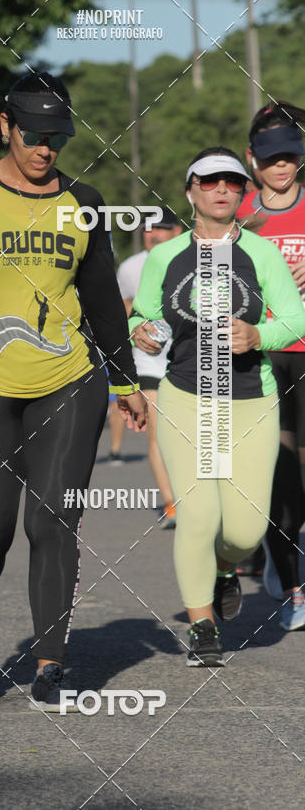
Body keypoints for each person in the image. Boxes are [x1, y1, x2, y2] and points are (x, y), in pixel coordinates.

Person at [0, 71, 147, 710]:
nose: (46, 148)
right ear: (6, 126)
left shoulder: (85, 202)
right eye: (34, 135)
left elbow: (101, 297)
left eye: (58, 137)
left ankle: (50, 662)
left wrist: (125, 378)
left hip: (68, 381)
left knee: (53, 518)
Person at [130, 147, 305, 667]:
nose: (222, 190)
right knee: (199, 516)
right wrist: (139, 331)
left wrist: (258, 335)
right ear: (191, 192)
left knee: (245, 530)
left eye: (231, 181)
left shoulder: (261, 253)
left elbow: (295, 318)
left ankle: (226, 569)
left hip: (251, 399)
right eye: (209, 182)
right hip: (186, 398)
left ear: (241, 192)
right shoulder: (165, 256)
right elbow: (143, 314)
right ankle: (202, 626)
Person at [237, 102, 305, 628]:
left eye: (290, 154)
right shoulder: (237, 213)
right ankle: (291, 583)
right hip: (261, 355)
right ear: (251, 158)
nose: (281, 164)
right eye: (270, 156)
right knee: (280, 474)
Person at [116, 207, 183, 528]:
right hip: (148, 360)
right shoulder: (130, 267)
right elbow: (122, 307)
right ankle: (171, 503)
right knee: (158, 431)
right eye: (146, 229)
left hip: (188, 358)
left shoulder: (191, 257)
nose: (152, 234)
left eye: (160, 228)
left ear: (177, 231)